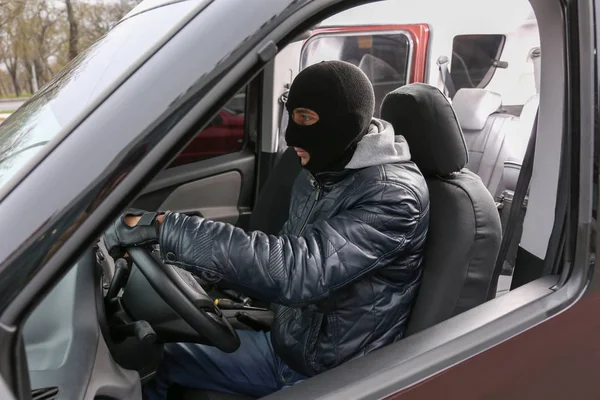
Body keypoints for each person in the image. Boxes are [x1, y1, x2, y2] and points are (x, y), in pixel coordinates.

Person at [104, 60, 430, 399]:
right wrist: (200, 268)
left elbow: (299, 269)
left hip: (337, 375)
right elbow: (280, 249)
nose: (292, 136)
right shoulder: (326, 170)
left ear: (346, 123)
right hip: (287, 347)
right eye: (292, 117)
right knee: (149, 360)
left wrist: (167, 228)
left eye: (305, 118)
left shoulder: (394, 196)